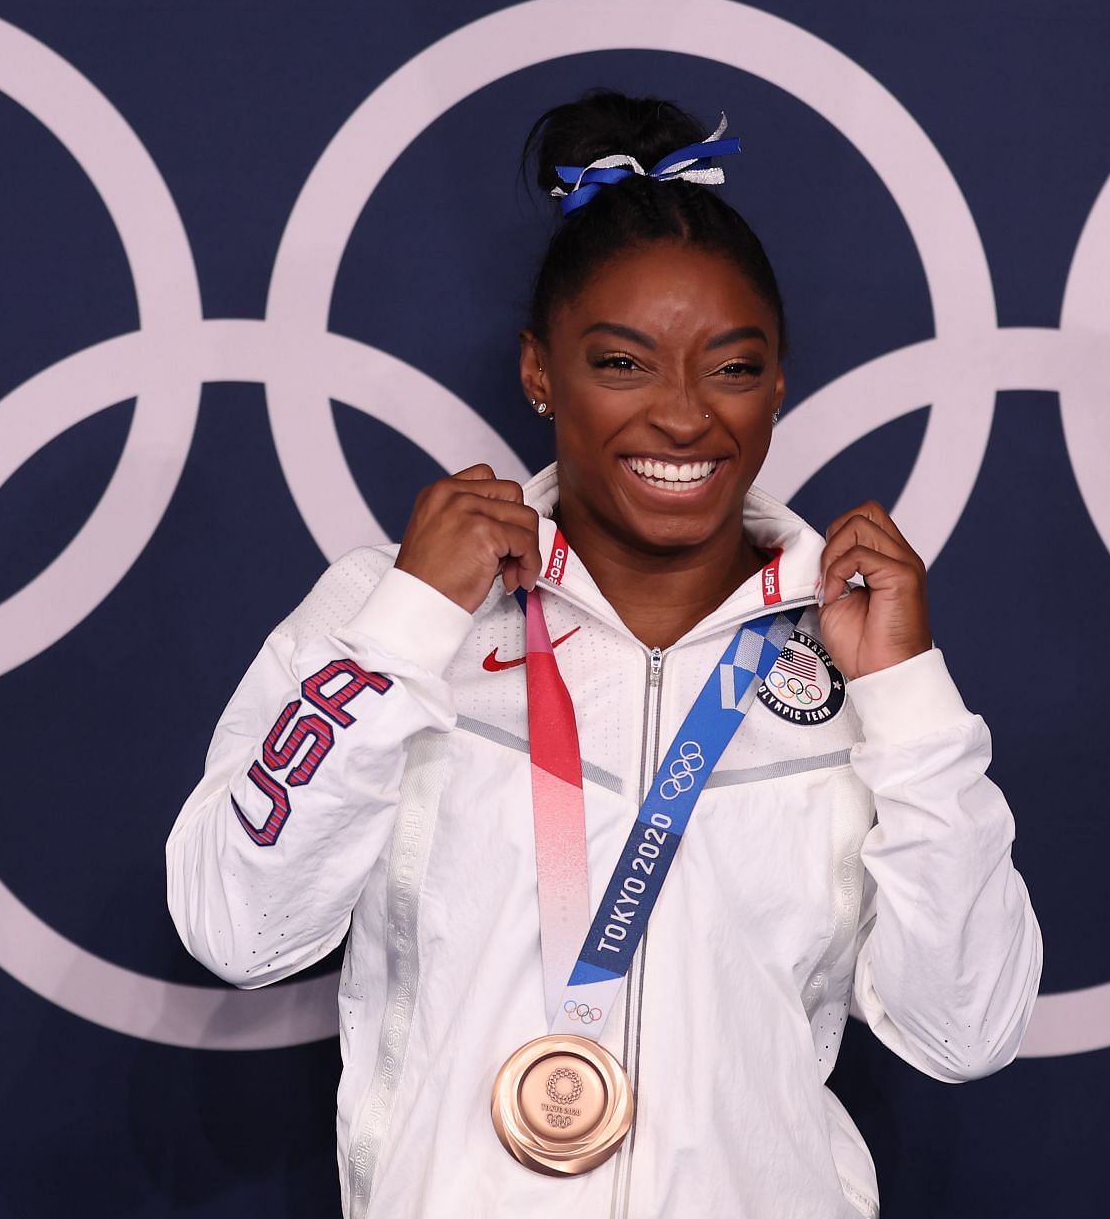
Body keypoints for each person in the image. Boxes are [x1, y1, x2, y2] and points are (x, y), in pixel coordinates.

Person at [166, 90, 1042, 1218]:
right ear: (540, 373)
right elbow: (235, 925)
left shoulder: (852, 649)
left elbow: (965, 1028)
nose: (684, 417)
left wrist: (910, 698)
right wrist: (406, 627)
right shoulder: (396, 612)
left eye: (730, 368)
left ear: (779, 382)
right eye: (624, 363)